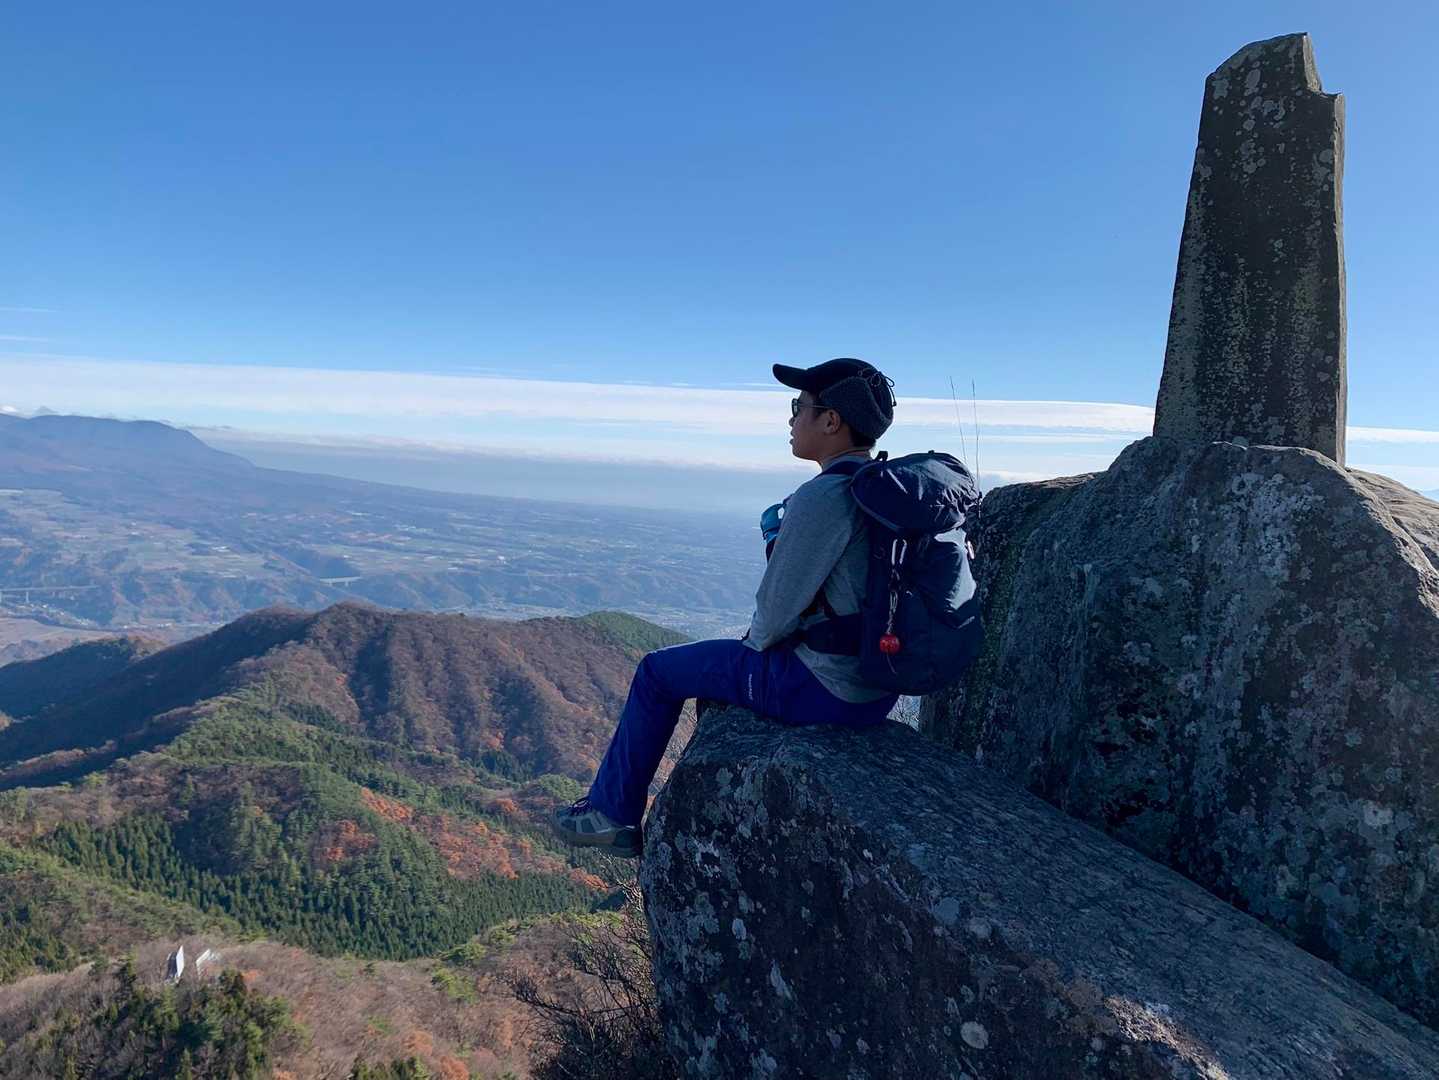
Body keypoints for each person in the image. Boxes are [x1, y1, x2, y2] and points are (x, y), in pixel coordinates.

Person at [552, 358, 900, 856]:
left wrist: (753, 639)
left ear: (831, 421)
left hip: (824, 687)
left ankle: (610, 815)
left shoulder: (824, 496)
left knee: (657, 672)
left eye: (799, 406)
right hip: (876, 686)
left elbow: (771, 622)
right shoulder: (886, 489)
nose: (791, 418)